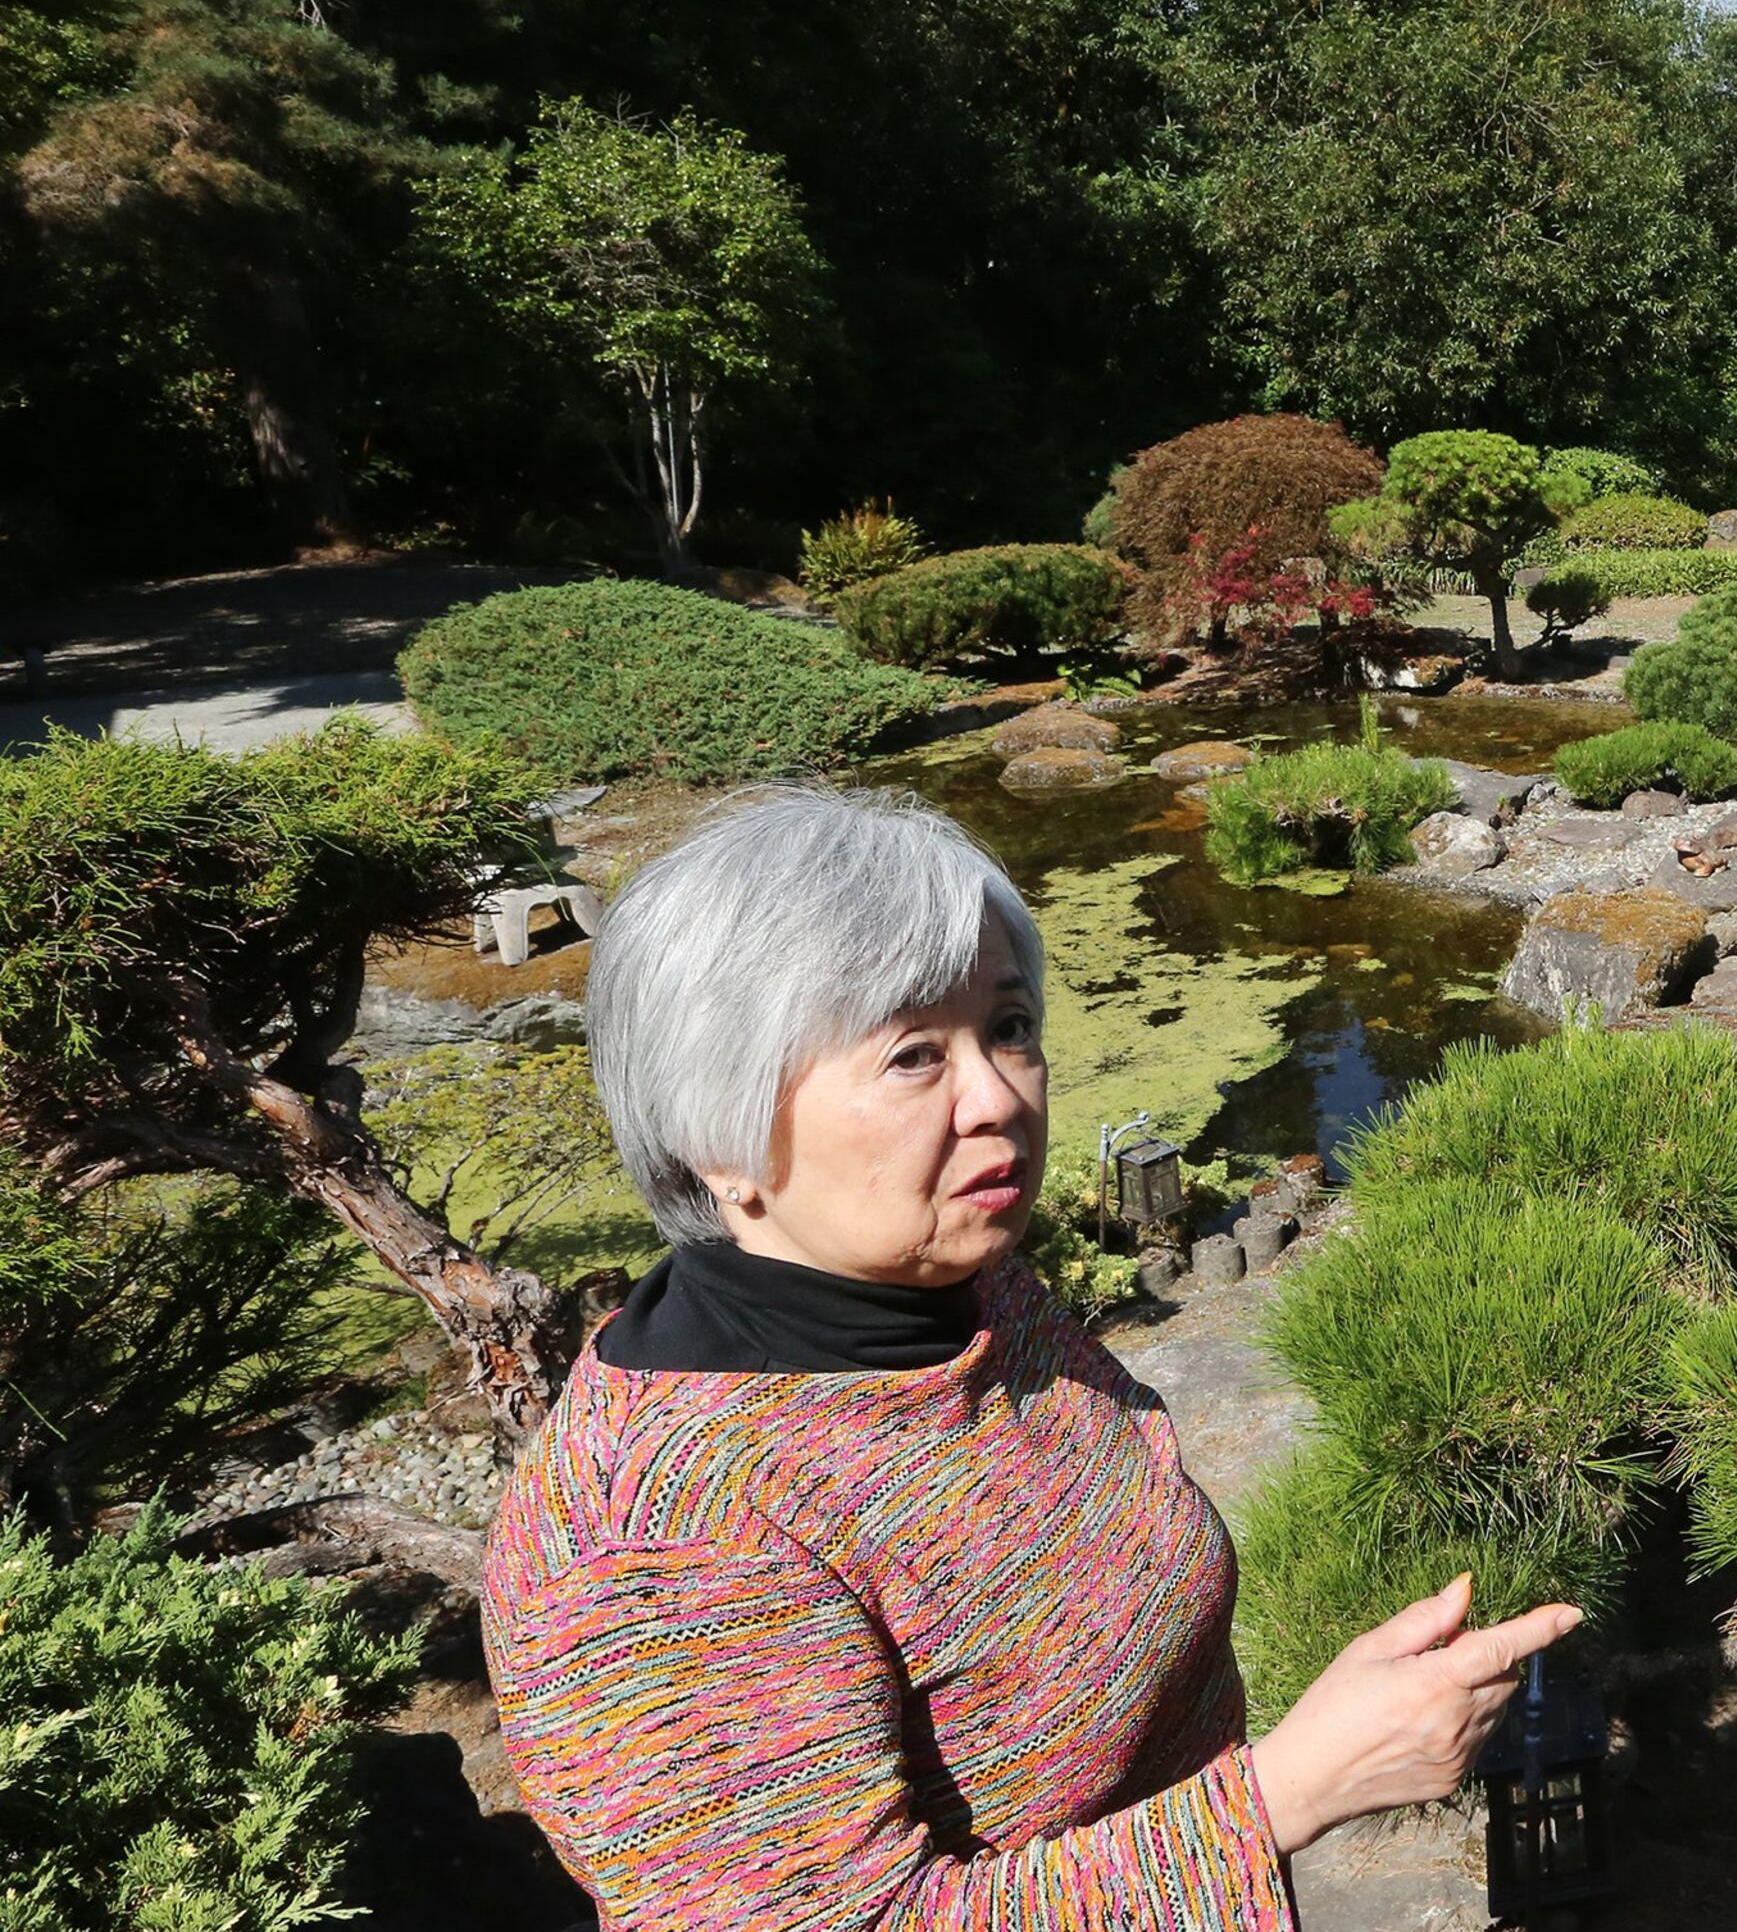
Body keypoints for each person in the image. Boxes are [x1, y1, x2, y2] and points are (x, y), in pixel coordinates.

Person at [481, 788, 1574, 1926]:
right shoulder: (660, 1542)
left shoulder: (966, 1288)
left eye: (1006, 1027)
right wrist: (1293, 1791)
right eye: (912, 1055)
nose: (999, 1096)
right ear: (719, 1133)